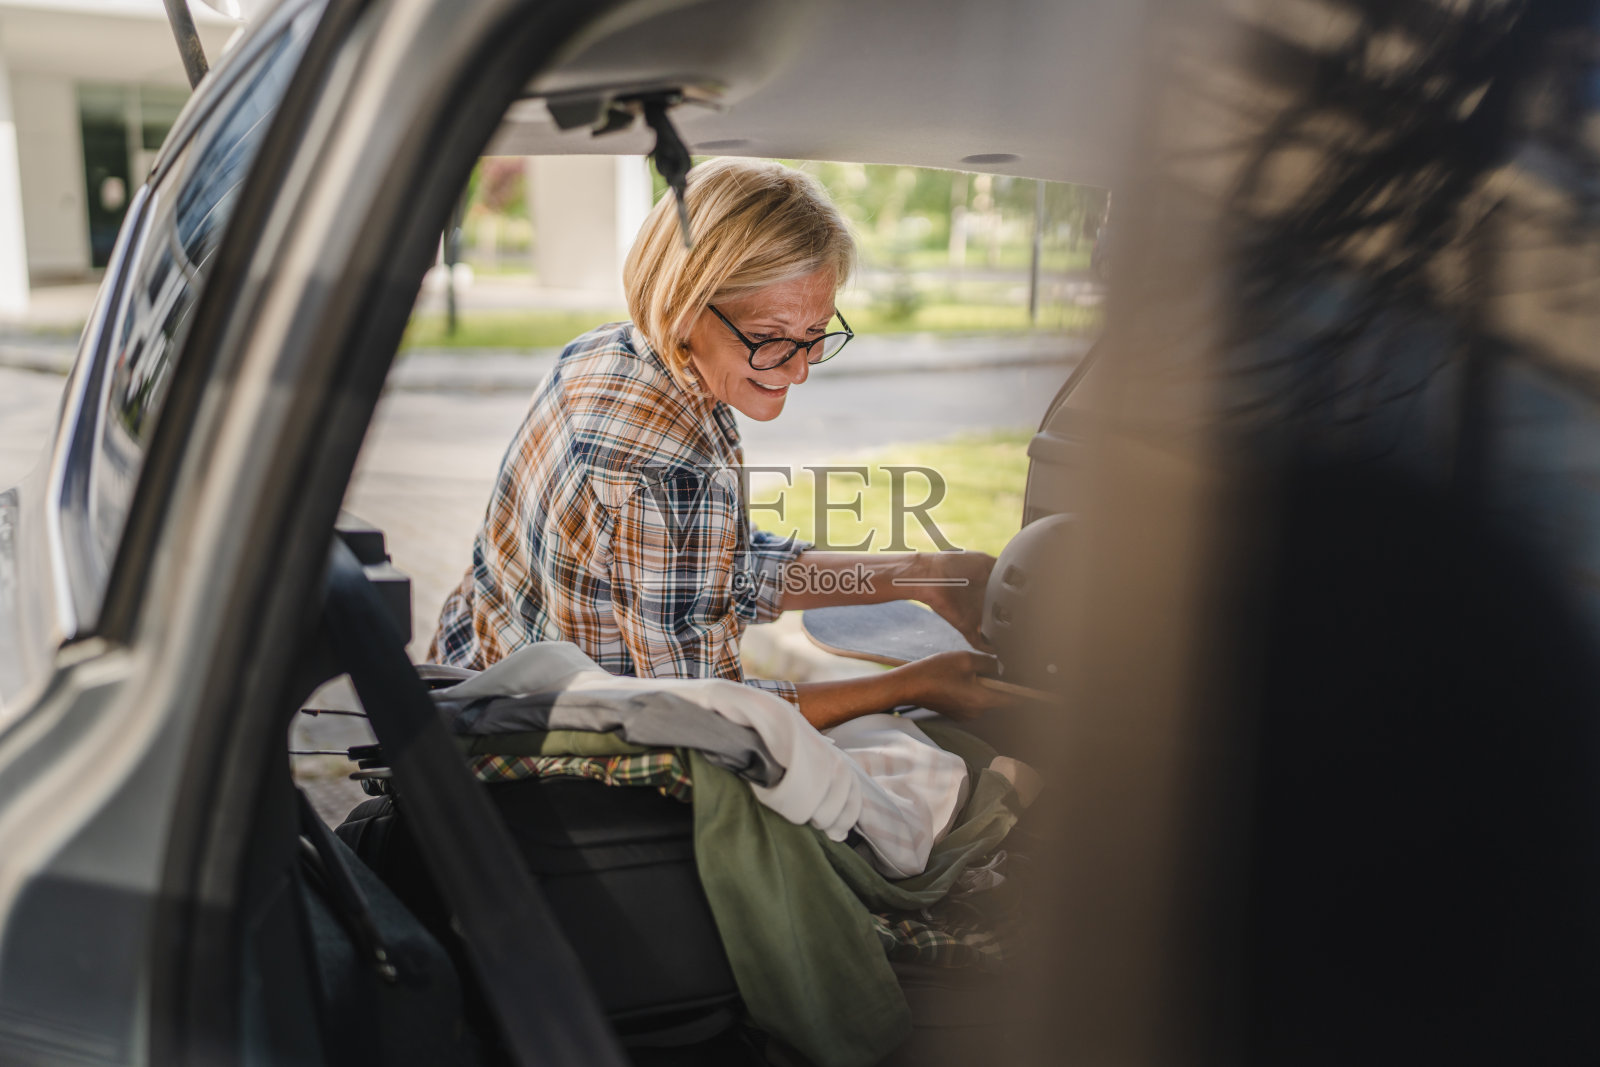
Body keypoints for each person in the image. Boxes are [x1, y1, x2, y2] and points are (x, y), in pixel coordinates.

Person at [429, 157, 1010, 728]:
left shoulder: (612, 354)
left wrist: (924, 574)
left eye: (815, 335)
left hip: (466, 674)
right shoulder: (669, 470)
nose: (800, 369)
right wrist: (912, 685)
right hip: (531, 750)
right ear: (684, 304)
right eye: (769, 337)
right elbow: (708, 715)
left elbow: (712, 568)